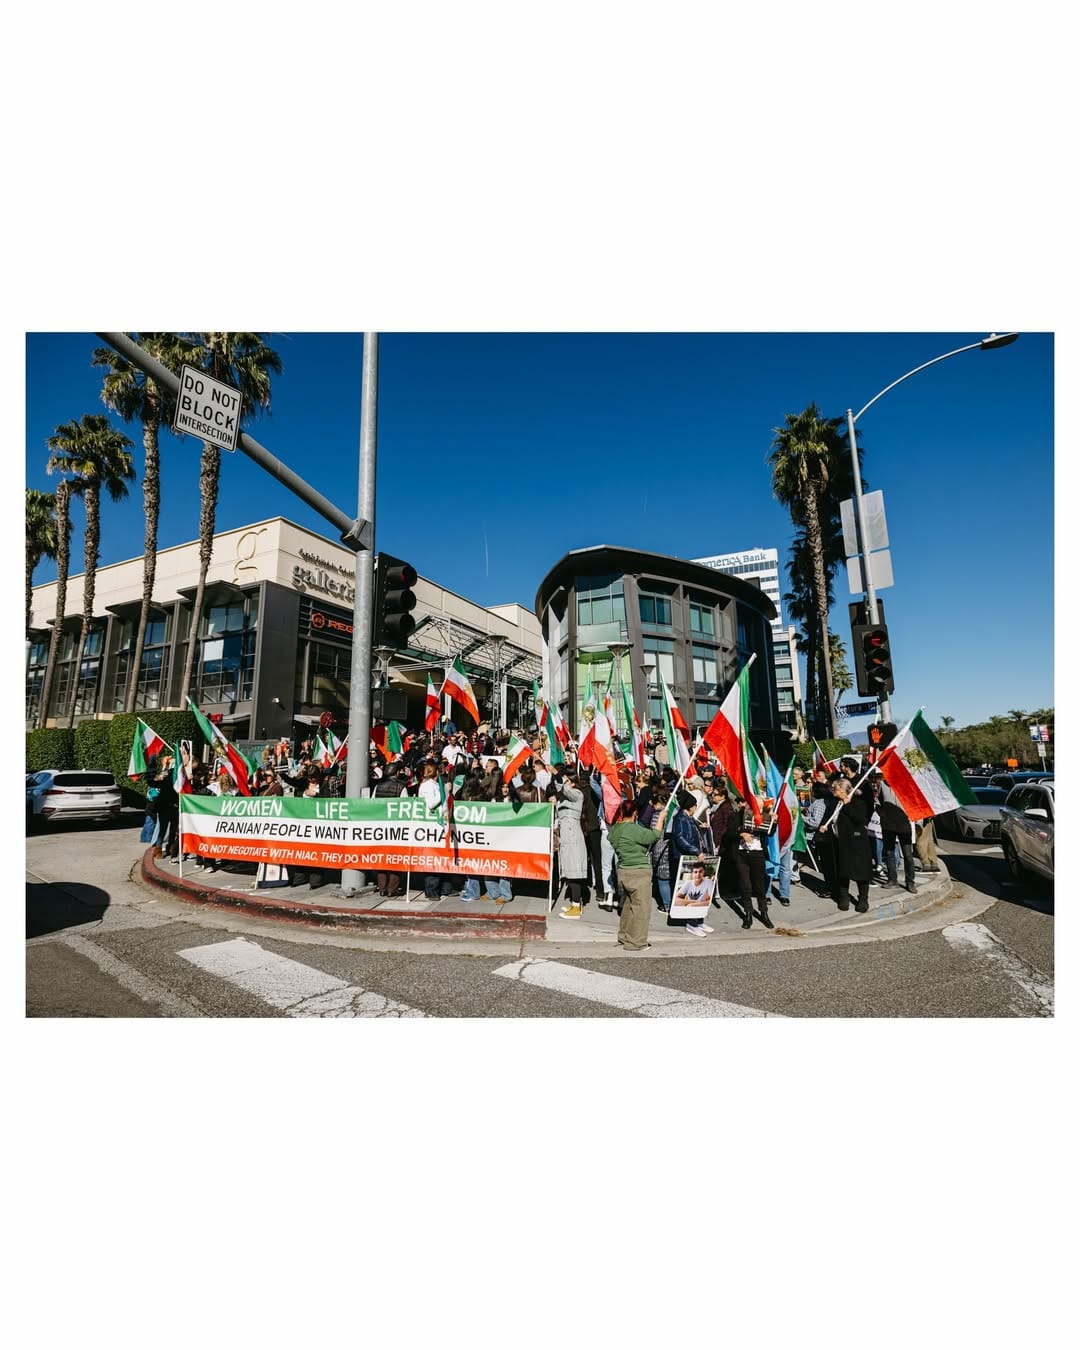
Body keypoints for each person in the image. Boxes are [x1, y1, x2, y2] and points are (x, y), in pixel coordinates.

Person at [607, 800, 662, 951]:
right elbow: (655, 835)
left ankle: (624, 936)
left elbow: (614, 839)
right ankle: (636, 942)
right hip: (639, 872)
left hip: (623, 871)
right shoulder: (634, 829)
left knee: (627, 906)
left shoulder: (615, 830)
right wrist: (661, 818)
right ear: (635, 813)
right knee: (641, 909)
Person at [669, 790, 712, 936]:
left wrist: (702, 829)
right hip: (684, 858)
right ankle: (691, 923)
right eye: (694, 806)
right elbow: (680, 838)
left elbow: (691, 834)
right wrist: (696, 851)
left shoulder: (689, 818)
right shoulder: (680, 819)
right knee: (691, 890)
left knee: (699, 889)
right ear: (690, 807)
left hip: (692, 857)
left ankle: (699, 920)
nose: (695, 808)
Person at [829, 778, 873, 913]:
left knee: (861, 871)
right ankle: (843, 897)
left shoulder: (858, 802)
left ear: (842, 790)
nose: (832, 791)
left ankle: (863, 898)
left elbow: (859, 820)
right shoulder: (835, 803)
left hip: (857, 842)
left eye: (835, 789)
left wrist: (847, 805)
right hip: (840, 841)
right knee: (843, 870)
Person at [549, 770, 589, 918]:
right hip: (565, 838)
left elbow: (564, 788)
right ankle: (574, 903)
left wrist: (558, 774)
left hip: (573, 837)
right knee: (570, 872)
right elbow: (561, 788)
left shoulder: (577, 794)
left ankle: (577, 907)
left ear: (572, 782)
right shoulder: (564, 798)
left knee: (574, 873)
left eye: (567, 781)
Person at [730, 793, 772, 928]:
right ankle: (748, 913)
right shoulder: (739, 815)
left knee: (759, 886)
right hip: (742, 853)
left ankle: (764, 912)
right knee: (745, 886)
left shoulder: (764, 815)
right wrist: (741, 833)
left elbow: (769, 832)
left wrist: (773, 821)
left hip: (757, 853)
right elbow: (729, 832)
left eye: (760, 805)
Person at [877, 778, 917, 893]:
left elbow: (916, 803)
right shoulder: (883, 785)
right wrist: (881, 814)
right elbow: (878, 802)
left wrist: (918, 823)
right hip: (888, 825)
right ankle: (892, 880)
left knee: (908, 855)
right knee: (889, 853)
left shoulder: (906, 785)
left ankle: (910, 882)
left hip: (904, 825)